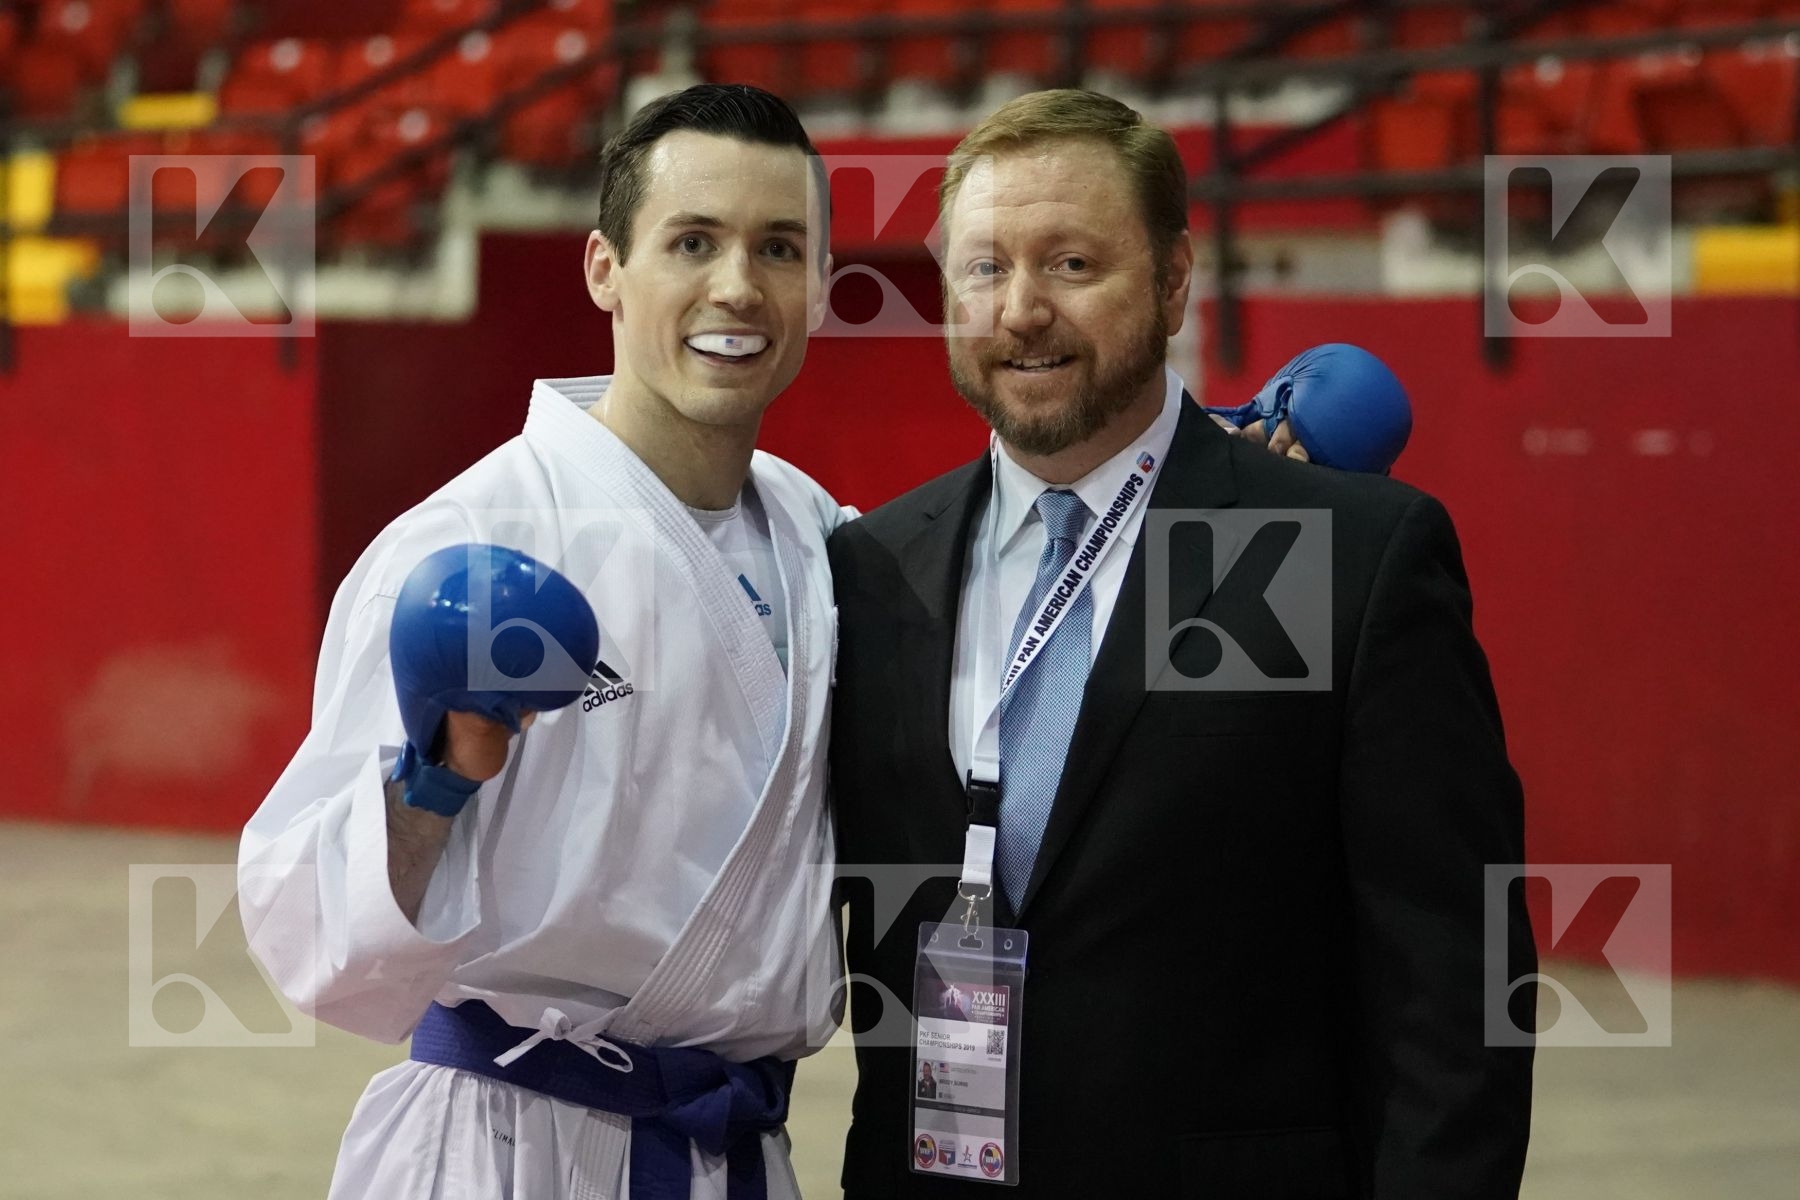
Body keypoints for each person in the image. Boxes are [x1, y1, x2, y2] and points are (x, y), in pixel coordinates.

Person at [827, 89, 1537, 1197]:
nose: (1019, 310)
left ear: (1171, 282)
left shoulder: (1339, 555)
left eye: (1070, 264)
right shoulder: (871, 568)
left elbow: (1455, 976)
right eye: (983, 268)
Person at [238, 83, 848, 1200]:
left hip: (737, 1152)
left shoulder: (823, 539)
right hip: (507, 1151)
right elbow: (303, 936)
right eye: (693, 241)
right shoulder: (475, 539)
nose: (737, 287)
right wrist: (435, 779)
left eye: (778, 248)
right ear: (605, 268)